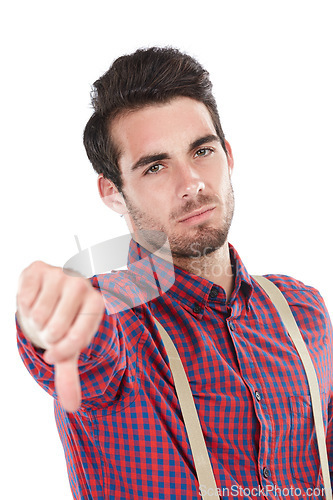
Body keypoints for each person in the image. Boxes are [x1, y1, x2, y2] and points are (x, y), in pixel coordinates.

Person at [16, 47, 332, 499]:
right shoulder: (117, 322)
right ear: (113, 193)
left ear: (228, 155)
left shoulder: (304, 312)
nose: (192, 184)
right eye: (156, 166)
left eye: (202, 151)